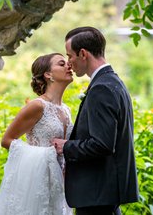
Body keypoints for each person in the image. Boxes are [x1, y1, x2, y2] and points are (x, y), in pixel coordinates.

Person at [53, 26, 139, 215]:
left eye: (70, 56)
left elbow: (103, 144)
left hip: (97, 194)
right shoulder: (113, 82)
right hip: (105, 195)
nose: (69, 63)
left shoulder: (102, 89)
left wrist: (66, 146)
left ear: (83, 54)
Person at [0, 53, 74, 215]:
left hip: (62, 184)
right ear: (48, 74)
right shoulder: (37, 106)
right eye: (61, 64)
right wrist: (47, 155)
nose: (69, 66)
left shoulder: (66, 110)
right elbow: (6, 140)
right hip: (39, 182)